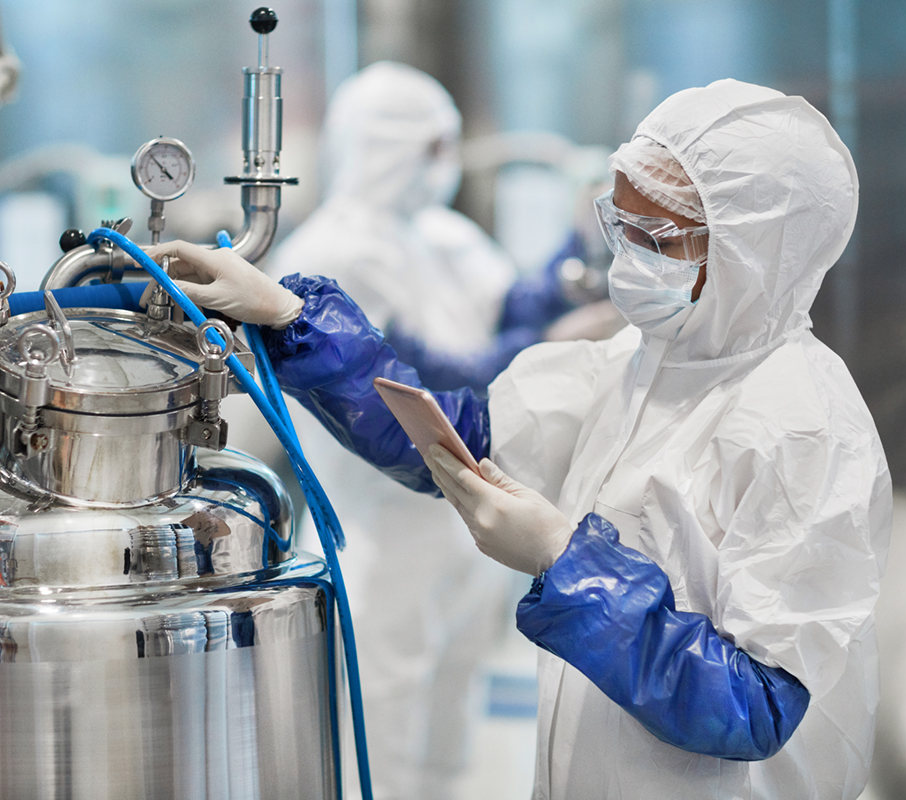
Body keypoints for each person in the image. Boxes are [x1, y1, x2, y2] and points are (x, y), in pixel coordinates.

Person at [150, 78, 891, 799]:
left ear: (753, 252)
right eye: (618, 227)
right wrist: (289, 316)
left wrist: (568, 565)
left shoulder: (803, 428)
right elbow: (456, 439)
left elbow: (755, 705)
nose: (627, 258)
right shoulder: (636, 367)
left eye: (653, 238)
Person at [264, 61, 578, 800]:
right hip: (377, 533)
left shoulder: (440, 234)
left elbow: (511, 310)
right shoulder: (333, 252)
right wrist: (557, 343)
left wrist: (579, 259)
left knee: (448, 733)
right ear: (390, 146)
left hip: (459, 532)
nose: (445, 166)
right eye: (434, 146)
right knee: (379, 736)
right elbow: (411, 383)